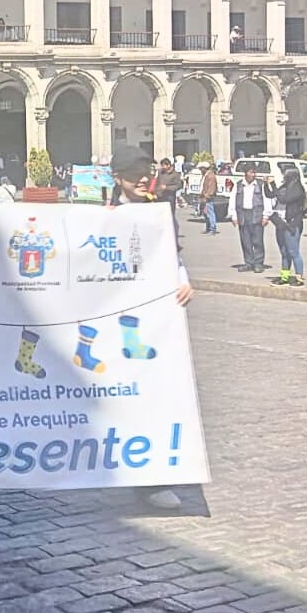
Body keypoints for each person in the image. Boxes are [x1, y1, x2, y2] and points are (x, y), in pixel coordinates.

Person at [102, 145, 196, 510]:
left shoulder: (160, 214)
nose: (142, 178)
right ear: (117, 178)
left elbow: (173, 254)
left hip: (157, 319)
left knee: (159, 396)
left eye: (146, 171)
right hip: (121, 321)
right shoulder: (106, 217)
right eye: (133, 172)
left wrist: (184, 280)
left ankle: (156, 475)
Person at [269, 166, 306, 286]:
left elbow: (284, 199)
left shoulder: (297, 188)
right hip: (281, 222)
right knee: (284, 252)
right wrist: (267, 184)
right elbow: (272, 194)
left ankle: (299, 277)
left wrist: (273, 185)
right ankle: (284, 277)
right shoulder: (284, 186)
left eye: (284, 174)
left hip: (292, 223)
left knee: (293, 251)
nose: (283, 176)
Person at [229, 166, 267, 273]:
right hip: (243, 214)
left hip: (256, 214)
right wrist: (233, 215)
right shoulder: (238, 185)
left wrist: (266, 215)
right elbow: (233, 200)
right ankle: (248, 263)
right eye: (251, 172)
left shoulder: (260, 185)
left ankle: (258, 263)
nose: (253, 175)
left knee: (258, 240)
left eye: (254, 172)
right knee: (246, 241)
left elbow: (266, 200)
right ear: (245, 173)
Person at [198, 163, 219, 235]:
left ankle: (213, 228)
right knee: (206, 213)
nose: (200, 170)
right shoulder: (205, 175)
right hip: (204, 196)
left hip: (208, 197)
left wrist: (207, 196)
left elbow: (211, 188)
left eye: (201, 168)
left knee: (210, 213)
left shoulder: (210, 176)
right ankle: (208, 228)